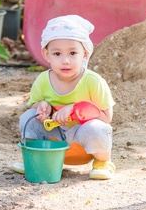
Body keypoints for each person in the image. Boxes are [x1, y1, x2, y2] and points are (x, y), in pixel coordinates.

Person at [14, 15, 116, 180]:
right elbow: (33, 106)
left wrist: (74, 109)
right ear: (46, 55)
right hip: (52, 138)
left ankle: (103, 162)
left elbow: (106, 117)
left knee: (99, 129)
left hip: (82, 142)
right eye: (57, 54)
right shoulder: (43, 80)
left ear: (84, 54)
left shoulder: (93, 81)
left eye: (73, 53)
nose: (65, 61)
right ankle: (32, 157)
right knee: (28, 118)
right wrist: (42, 106)